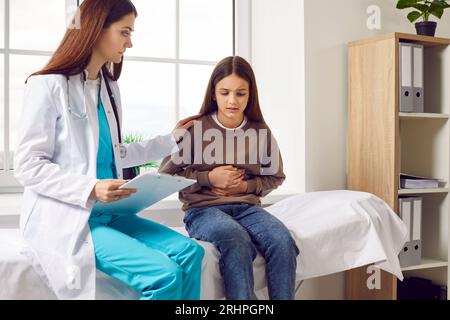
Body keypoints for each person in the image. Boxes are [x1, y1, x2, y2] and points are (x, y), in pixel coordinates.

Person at [14, 0, 204, 300]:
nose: (130, 42)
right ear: (95, 29)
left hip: (109, 213)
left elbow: (117, 153)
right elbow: (27, 165)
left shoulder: (108, 88)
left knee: (191, 253)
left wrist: (172, 140)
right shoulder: (47, 86)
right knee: (163, 274)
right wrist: (90, 187)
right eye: (125, 32)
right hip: (72, 216)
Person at [159, 56, 300, 300]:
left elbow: (275, 176)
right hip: (202, 211)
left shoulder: (260, 132)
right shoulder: (195, 129)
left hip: (247, 208)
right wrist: (208, 177)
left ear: (250, 95)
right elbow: (166, 175)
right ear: (214, 93)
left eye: (240, 93)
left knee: (282, 240)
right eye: (224, 92)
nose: (232, 101)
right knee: (235, 239)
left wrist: (247, 185)